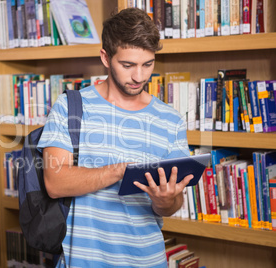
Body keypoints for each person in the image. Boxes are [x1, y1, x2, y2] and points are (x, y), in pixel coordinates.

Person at [37, 8, 193, 268]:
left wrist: (166, 200)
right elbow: (55, 182)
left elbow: (172, 204)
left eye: (148, 64)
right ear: (106, 58)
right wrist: (120, 171)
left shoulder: (171, 119)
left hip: (147, 260)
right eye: (128, 65)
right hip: (82, 262)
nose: (139, 76)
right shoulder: (70, 106)